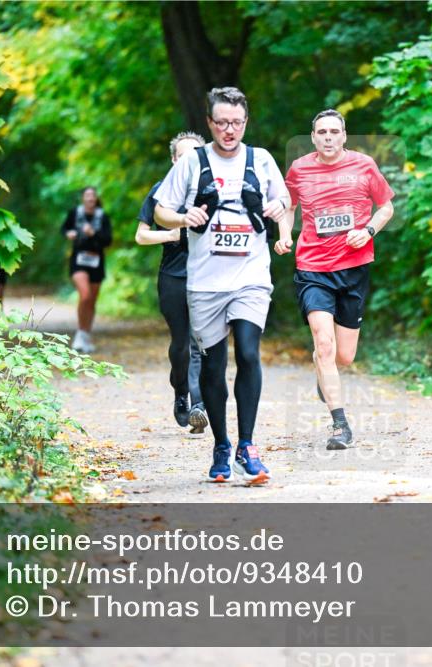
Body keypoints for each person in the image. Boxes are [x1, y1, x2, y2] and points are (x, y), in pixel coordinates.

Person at [154, 86, 290, 484]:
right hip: (205, 283)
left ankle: (247, 445)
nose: (230, 130)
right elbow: (160, 211)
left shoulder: (260, 160)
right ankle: (221, 445)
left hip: (250, 277)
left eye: (237, 122)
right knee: (213, 368)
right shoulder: (191, 163)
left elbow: (285, 201)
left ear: (246, 122)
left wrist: (280, 208)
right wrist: (184, 218)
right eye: (222, 122)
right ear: (210, 123)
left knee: (248, 351)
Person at [275, 109, 395, 450]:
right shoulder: (299, 169)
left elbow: (387, 207)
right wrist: (284, 234)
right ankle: (340, 425)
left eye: (334, 132)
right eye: (322, 132)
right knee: (324, 344)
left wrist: (368, 230)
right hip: (312, 267)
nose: (328, 137)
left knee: (344, 357)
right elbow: (288, 207)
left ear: (344, 136)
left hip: (353, 268)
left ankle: (323, 368)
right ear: (313, 137)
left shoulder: (364, 165)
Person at [135, 131, 209, 435]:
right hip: (173, 276)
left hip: (207, 276)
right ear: (174, 160)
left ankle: (198, 405)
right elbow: (141, 235)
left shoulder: (212, 190)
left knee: (199, 342)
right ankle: (180, 391)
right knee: (181, 344)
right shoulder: (161, 191)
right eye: (183, 155)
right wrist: (170, 234)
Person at [61, 186, 112, 353]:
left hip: (96, 261)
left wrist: (93, 234)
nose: (90, 198)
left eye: (93, 195)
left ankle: (86, 335)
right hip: (79, 261)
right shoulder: (75, 213)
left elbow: (108, 240)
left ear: (96, 198)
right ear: (83, 198)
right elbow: (64, 229)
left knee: (92, 300)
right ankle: (80, 333)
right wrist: (69, 233)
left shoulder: (102, 216)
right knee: (85, 295)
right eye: (87, 195)